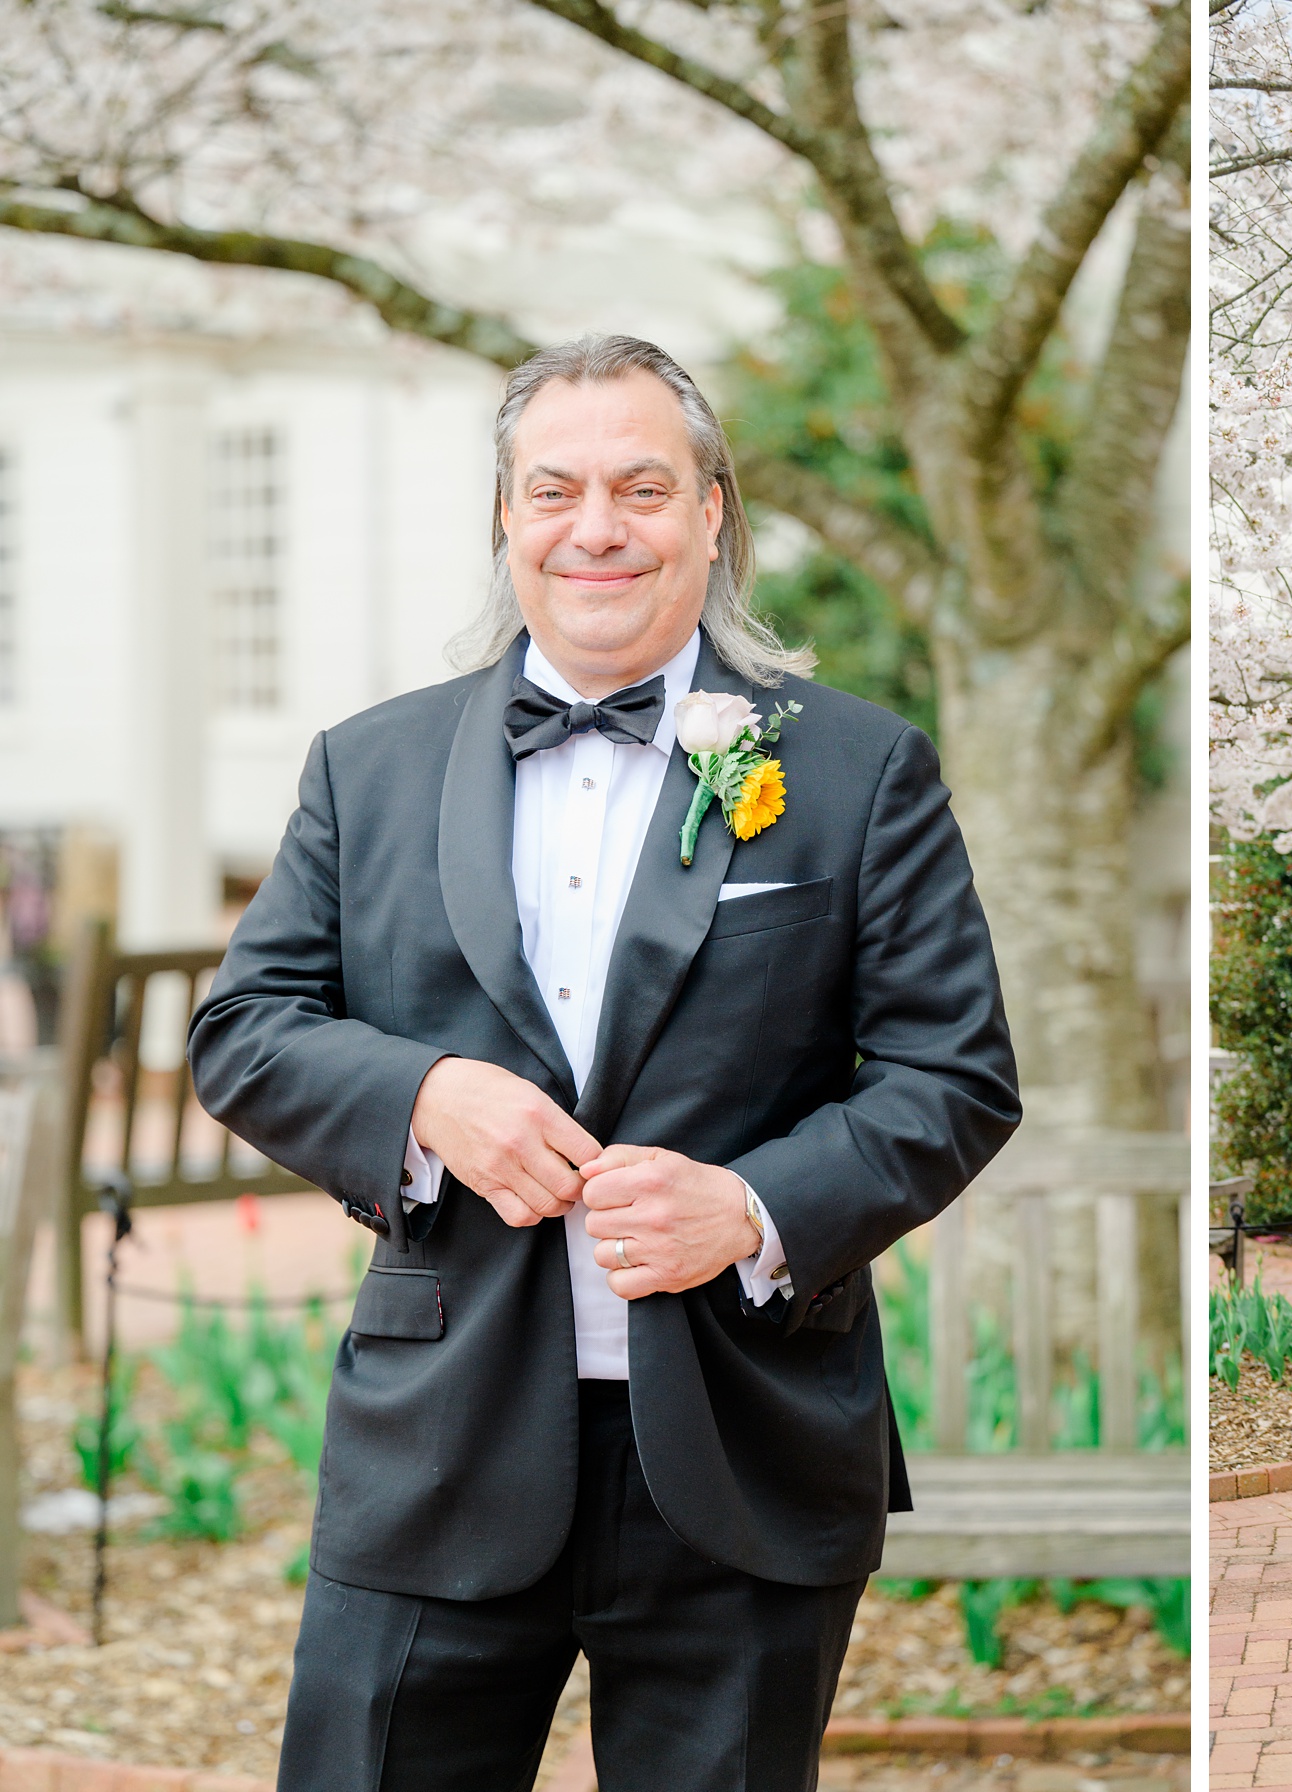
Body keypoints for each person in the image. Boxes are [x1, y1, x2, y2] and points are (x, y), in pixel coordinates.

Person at [188, 334, 1019, 1790]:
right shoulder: (363, 768)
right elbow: (245, 1031)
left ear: (712, 512)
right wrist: (423, 1097)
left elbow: (954, 1077)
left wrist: (751, 1211)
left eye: (643, 486)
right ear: (505, 518)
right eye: (554, 488)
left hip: (743, 1449)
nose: (597, 527)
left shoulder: (858, 769)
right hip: (434, 1449)